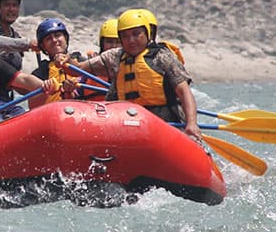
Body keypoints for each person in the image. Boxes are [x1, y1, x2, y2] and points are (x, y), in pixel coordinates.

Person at [85, 8, 202, 141]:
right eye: (125, 36)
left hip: (167, 123)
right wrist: (65, 61)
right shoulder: (118, 59)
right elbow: (78, 68)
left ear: (147, 34)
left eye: (136, 34)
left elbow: (184, 91)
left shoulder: (163, 57)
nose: (131, 40)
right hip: (130, 125)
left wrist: (191, 123)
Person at [0, 0, 39, 118]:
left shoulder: (16, 37)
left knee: (23, 116)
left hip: (5, 101)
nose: (11, 9)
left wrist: (43, 89)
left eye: (14, 5)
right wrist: (27, 44)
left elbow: (16, 81)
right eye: (7, 5)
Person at [30, 18, 84, 105]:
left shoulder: (81, 62)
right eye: (48, 39)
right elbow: (32, 106)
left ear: (65, 38)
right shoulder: (40, 73)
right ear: (43, 46)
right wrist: (45, 91)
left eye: (57, 35)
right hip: (52, 115)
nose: (54, 40)